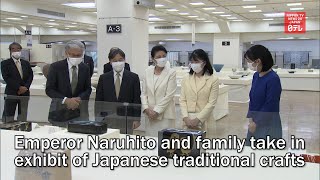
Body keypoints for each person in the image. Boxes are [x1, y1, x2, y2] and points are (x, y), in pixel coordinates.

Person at [45, 40, 92, 126]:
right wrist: (66, 100)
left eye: (79, 55)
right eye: (73, 55)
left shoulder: (85, 68)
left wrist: (78, 99)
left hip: (80, 112)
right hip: (59, 111)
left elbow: (88, 88)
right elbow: (49, 89)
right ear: (67, 53)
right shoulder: (56, 67)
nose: (76, 57)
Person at [95, 48, 141, 134]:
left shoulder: (133, 77)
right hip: (108, 118)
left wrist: (136, 119)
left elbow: (136, 99)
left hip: (127, 118)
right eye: (114, 60)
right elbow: (99, 100)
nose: (118, 63)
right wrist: (98, 118)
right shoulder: (104, 78)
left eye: (120, 60)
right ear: (110, 62)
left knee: (125, 143)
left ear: (124, 60)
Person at [244, 45, 282, 145]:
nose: (248, 64)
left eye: (249, 61)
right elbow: (252, 99)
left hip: (268, 122)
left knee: (265, 155)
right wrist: (251, 119)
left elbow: (270, 105)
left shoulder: (273, 79)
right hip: (254, 121)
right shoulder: (256, 75)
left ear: (258, 61)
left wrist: (256, 123)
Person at [179, 49, 219, 135]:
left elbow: (211, 103)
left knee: (204, 146)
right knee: (187, 146)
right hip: (187, 120)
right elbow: (182, 100)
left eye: (196, 61)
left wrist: (198, 119)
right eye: (192, 62)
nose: (194, 64)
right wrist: (185, 117)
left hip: (205, 119)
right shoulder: (186, 78)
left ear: (204, 63)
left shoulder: (213, 79)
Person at [141, 45, 176, 137]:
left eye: (164, 56)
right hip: (150, 115)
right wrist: (146, 109)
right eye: (158, 57)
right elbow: (144, 93)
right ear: (153, 59)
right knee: (150, 141)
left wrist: (156, 111)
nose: (162, 59)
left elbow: (169, 95)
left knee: (165, 143)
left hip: (165, 115)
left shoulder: (171, 72)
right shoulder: (147, 71)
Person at [1, 42, 33, 122]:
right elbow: (7, 78)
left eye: (18, 49)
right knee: (8, 114)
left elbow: (30, 75)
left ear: (21, 50)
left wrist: (25, 87)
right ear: (10, 51)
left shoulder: (26, 63)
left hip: (25, 93)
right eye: (13, 49)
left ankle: (22, 130)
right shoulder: (5, 63)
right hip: (12, 92)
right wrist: (19, 87)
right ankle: (7, 130)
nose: (16, 51)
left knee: (22, 115)